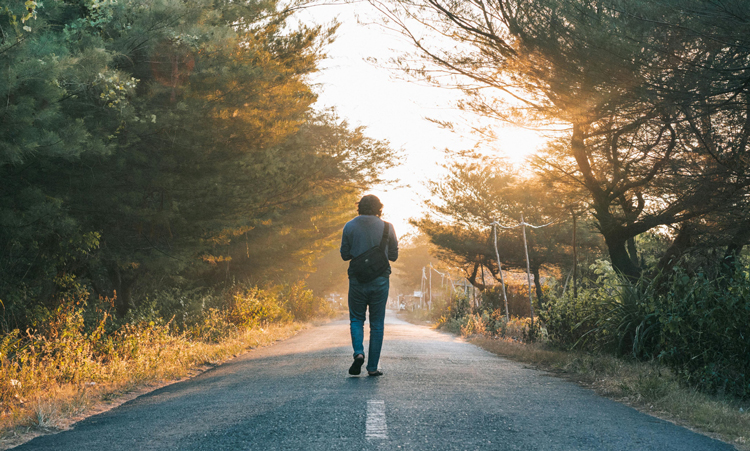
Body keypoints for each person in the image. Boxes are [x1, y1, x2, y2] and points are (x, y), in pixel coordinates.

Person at [340, 194, 398, 376]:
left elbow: (344, 255)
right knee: (377, 323)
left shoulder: (349, 226)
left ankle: (358, 352)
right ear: (379, 208)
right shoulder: (388, 227)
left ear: (359, 208)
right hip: (380, 280)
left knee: (357, 319)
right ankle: (372, 367)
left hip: (357, 280)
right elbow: (394, 256)